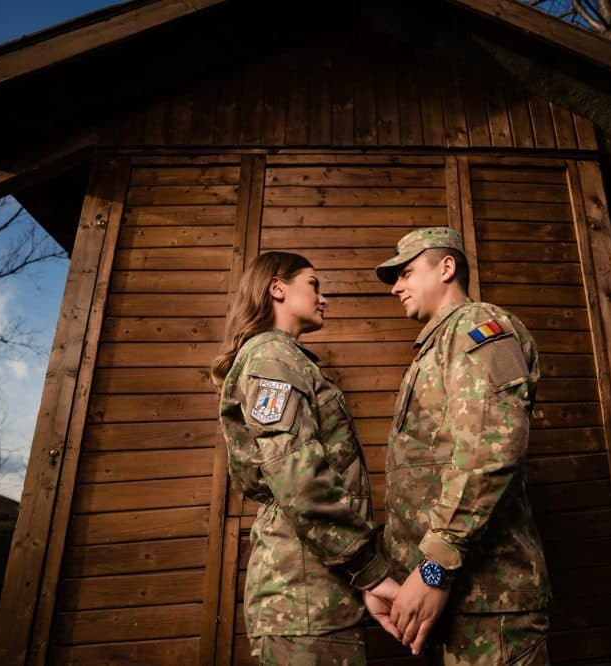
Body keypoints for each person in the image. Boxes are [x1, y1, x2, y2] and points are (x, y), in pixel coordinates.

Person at [211, 251, 400, 664]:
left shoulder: (285, 359)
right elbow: (300, 481)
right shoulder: (271, 359)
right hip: (302, 601)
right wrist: (371, 571)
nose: (323, 297)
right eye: (314, 284)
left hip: (318, 595)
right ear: (277, 288)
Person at [374, 227, 551, 664]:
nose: (397, 287)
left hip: (490, 598)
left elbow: (491, 453)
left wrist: (434, 568)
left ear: (447, 267)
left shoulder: (477, 328)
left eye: (407, 272)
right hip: (453, 598)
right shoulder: (436, 345)